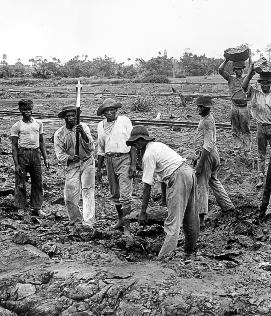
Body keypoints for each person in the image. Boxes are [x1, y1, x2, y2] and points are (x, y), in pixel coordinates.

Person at [126, 125, 199, 258]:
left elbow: (147, 185)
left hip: (178, 177)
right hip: (188, 172)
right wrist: (164, 200)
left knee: (173, 222)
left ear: (143, 140)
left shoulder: (148, 155)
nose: (135, 145)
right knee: (190, 215)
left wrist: (142, 212)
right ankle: (190, 250)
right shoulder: (158, 145)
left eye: (136, 142)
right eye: (133, 143)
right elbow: (162, 178)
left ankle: (164, 258)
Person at [193, 95, 235, 229]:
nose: (199, 109)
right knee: (214, 180)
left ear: (207, 108)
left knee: (202, 185)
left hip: (207, 155)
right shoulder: (206, 118)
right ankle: (228, 207)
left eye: (202, 107)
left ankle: (201, 219)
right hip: (213, 154)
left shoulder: (207, 121)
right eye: (198, 106)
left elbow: (208, 145)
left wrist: (200, 164)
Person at [96, 98, 136, 234]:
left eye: (112, 110)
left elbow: (133, 143)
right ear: (103, 113)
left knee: (125, 194)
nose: (110, 113)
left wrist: (133, 165)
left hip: (124, 158)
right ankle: (120, 220)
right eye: (106, 111)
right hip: (109, 160)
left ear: (116, 111)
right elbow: (101, 149)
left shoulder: (124, 121)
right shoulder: (100, 126)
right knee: (115, 193)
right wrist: (99, 168)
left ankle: (127, 227)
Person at [242, 65, 271, 189]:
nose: (265, 85)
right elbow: (244, 86)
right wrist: (250, 72)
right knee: (261, 155)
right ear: (260, 84)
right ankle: (261, 178)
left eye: (267, 83)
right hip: (260, 128)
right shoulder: (255, 94)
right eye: (262, 83)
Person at [54, 104, 96, 234]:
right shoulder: (59, 134)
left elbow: (91, 147)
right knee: (70, 195)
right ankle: (75, 221)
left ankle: (88, 222)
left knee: (88, 191)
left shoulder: (83, 127)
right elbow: (60, 154)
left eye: (73, 115)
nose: (71, 118)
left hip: (87, 162)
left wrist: (82, 134)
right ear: (64, 118)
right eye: (68, 116)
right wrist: (70, 158)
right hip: (72, 166)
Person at [10, 99, 49, 216]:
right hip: (23, 154)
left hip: (35, 154)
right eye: (24, 110)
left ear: (32, 110)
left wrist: (45, 157)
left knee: (37, 181)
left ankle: (36, 207)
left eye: (29, 109)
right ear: (21, 111)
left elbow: (41, 141)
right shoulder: (16, 126)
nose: (27, 112)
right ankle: (20, 207)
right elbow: (14, 146)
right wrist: (16, 164)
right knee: (20, 181)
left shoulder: (38, 124)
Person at [218, 59, 251, 154]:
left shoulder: (246, 78)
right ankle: (237, 147)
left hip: (244, 107)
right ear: (234, 70)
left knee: (245, 128)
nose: (239, 71)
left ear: (243, 70)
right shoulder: (230, 78)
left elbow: (252, 71)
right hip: (234, 106)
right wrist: (226, 60)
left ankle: (247, 148)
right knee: (235, 128)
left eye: (241, 69)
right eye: (237, 69)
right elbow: (220, 70)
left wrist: (250, 58)